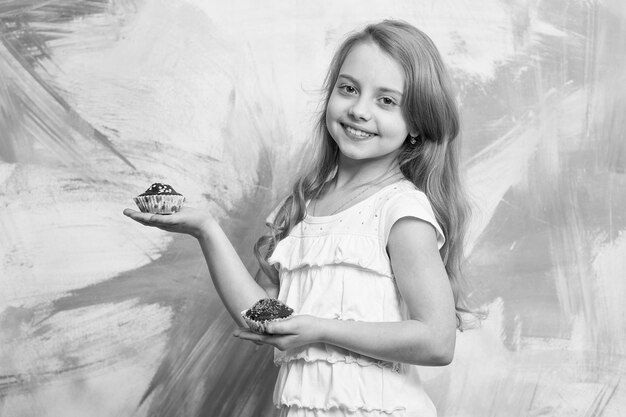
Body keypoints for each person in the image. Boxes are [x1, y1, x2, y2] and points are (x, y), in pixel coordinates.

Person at [124, 19, 478, 417]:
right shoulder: (304, 204)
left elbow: (437, 341)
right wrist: (206, 229)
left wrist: (321, 329)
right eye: (349, 89)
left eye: (386, 100)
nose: (359, 110)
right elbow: (266, 317)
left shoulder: (401, 212)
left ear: (416, 123)